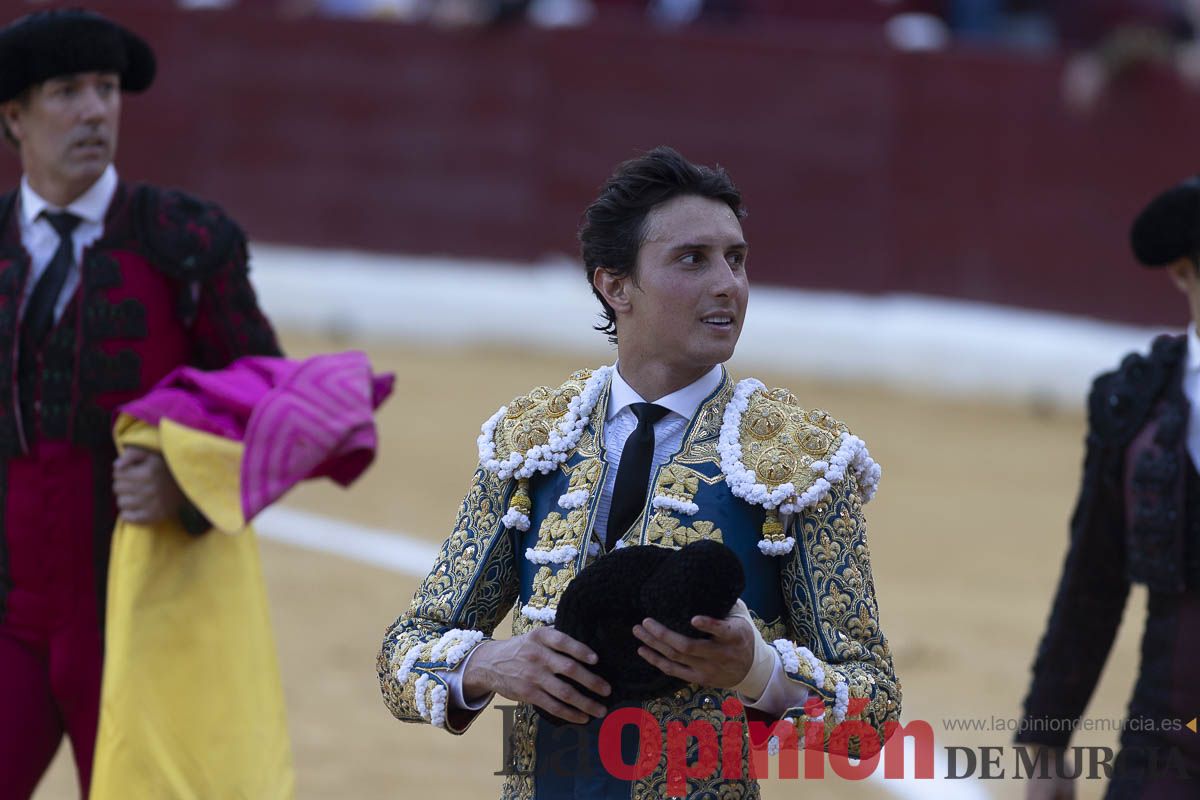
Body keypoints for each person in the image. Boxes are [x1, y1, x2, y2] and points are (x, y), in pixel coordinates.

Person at [378, 146, 900, 797]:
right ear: (615, 285)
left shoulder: (800, 460)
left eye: (736, 259)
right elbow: (407, 651)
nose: (728, 284)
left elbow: (873, 710)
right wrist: (491, 663)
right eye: (692, 259)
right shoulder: (534, 442)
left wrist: (757, 671)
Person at [0, 9, 281, 797]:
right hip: (8, 619)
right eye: (66, 91)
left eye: (107, 89)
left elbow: (273, 407)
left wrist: (186, 481)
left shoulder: (183, 244)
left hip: (135, 623)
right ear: (13, 116)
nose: (95, 110)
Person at [1017, 177, 1200, 798]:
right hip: (1173, 734)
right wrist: (1047, 738)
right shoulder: (1138, 405)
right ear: (1182, 271)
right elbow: (1093, 578)